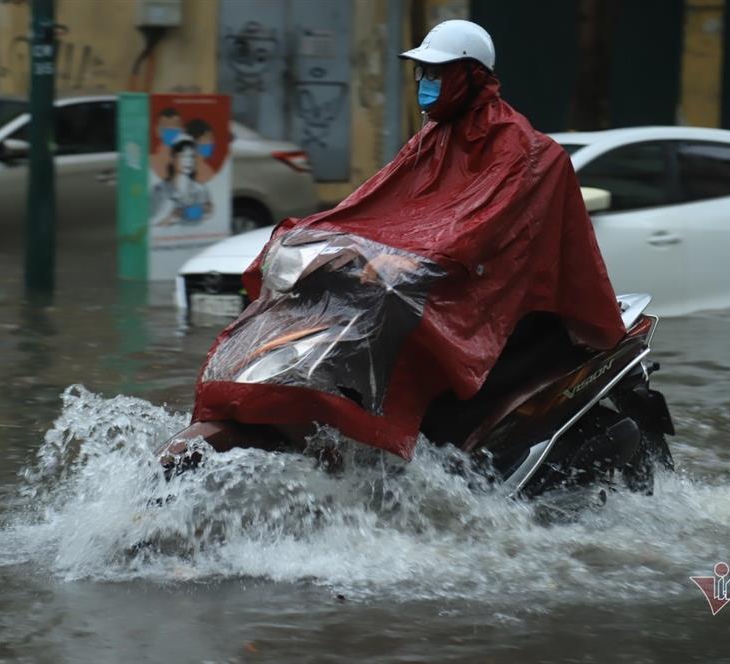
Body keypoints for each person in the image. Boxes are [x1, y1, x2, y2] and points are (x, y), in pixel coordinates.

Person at [192, 20, 625, 460]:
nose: (426, 83)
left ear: (472, 75)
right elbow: (378, 204)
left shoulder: (523, 148)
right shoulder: (433, 138)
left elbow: (477, 227)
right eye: (424, 73)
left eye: (438, 74)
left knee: (390, 308)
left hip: (487, 295)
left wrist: (416, 261)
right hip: (438, 278)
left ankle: (402, 449)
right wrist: (326, 238)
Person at [151, 134, 213, 226]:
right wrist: (169, 216)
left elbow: (207, 216)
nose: (188, 161)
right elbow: (152, 222)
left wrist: (205, 210)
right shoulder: (160, 190)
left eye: (191, 156)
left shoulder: (201, 189)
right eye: (183, 156)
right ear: (173, 158)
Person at [185, 118, 218, 182]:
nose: (212, 143)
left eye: (212, 139)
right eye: (208, 138)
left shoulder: (207, 171)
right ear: (194, 140)